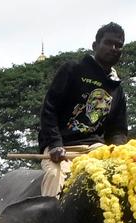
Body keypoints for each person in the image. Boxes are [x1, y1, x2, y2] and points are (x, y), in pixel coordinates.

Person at [37, 22, 129, 197]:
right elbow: (49, 109)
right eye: (108, 43)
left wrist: (118, 151)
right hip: (64, 146)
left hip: (96, 148)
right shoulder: (73, 70)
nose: (113, 48)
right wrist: (55, 144)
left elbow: (118, 130)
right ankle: (50, 213)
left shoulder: (117, 88)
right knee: (56, 175)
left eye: (118, 45)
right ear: (95, 45)